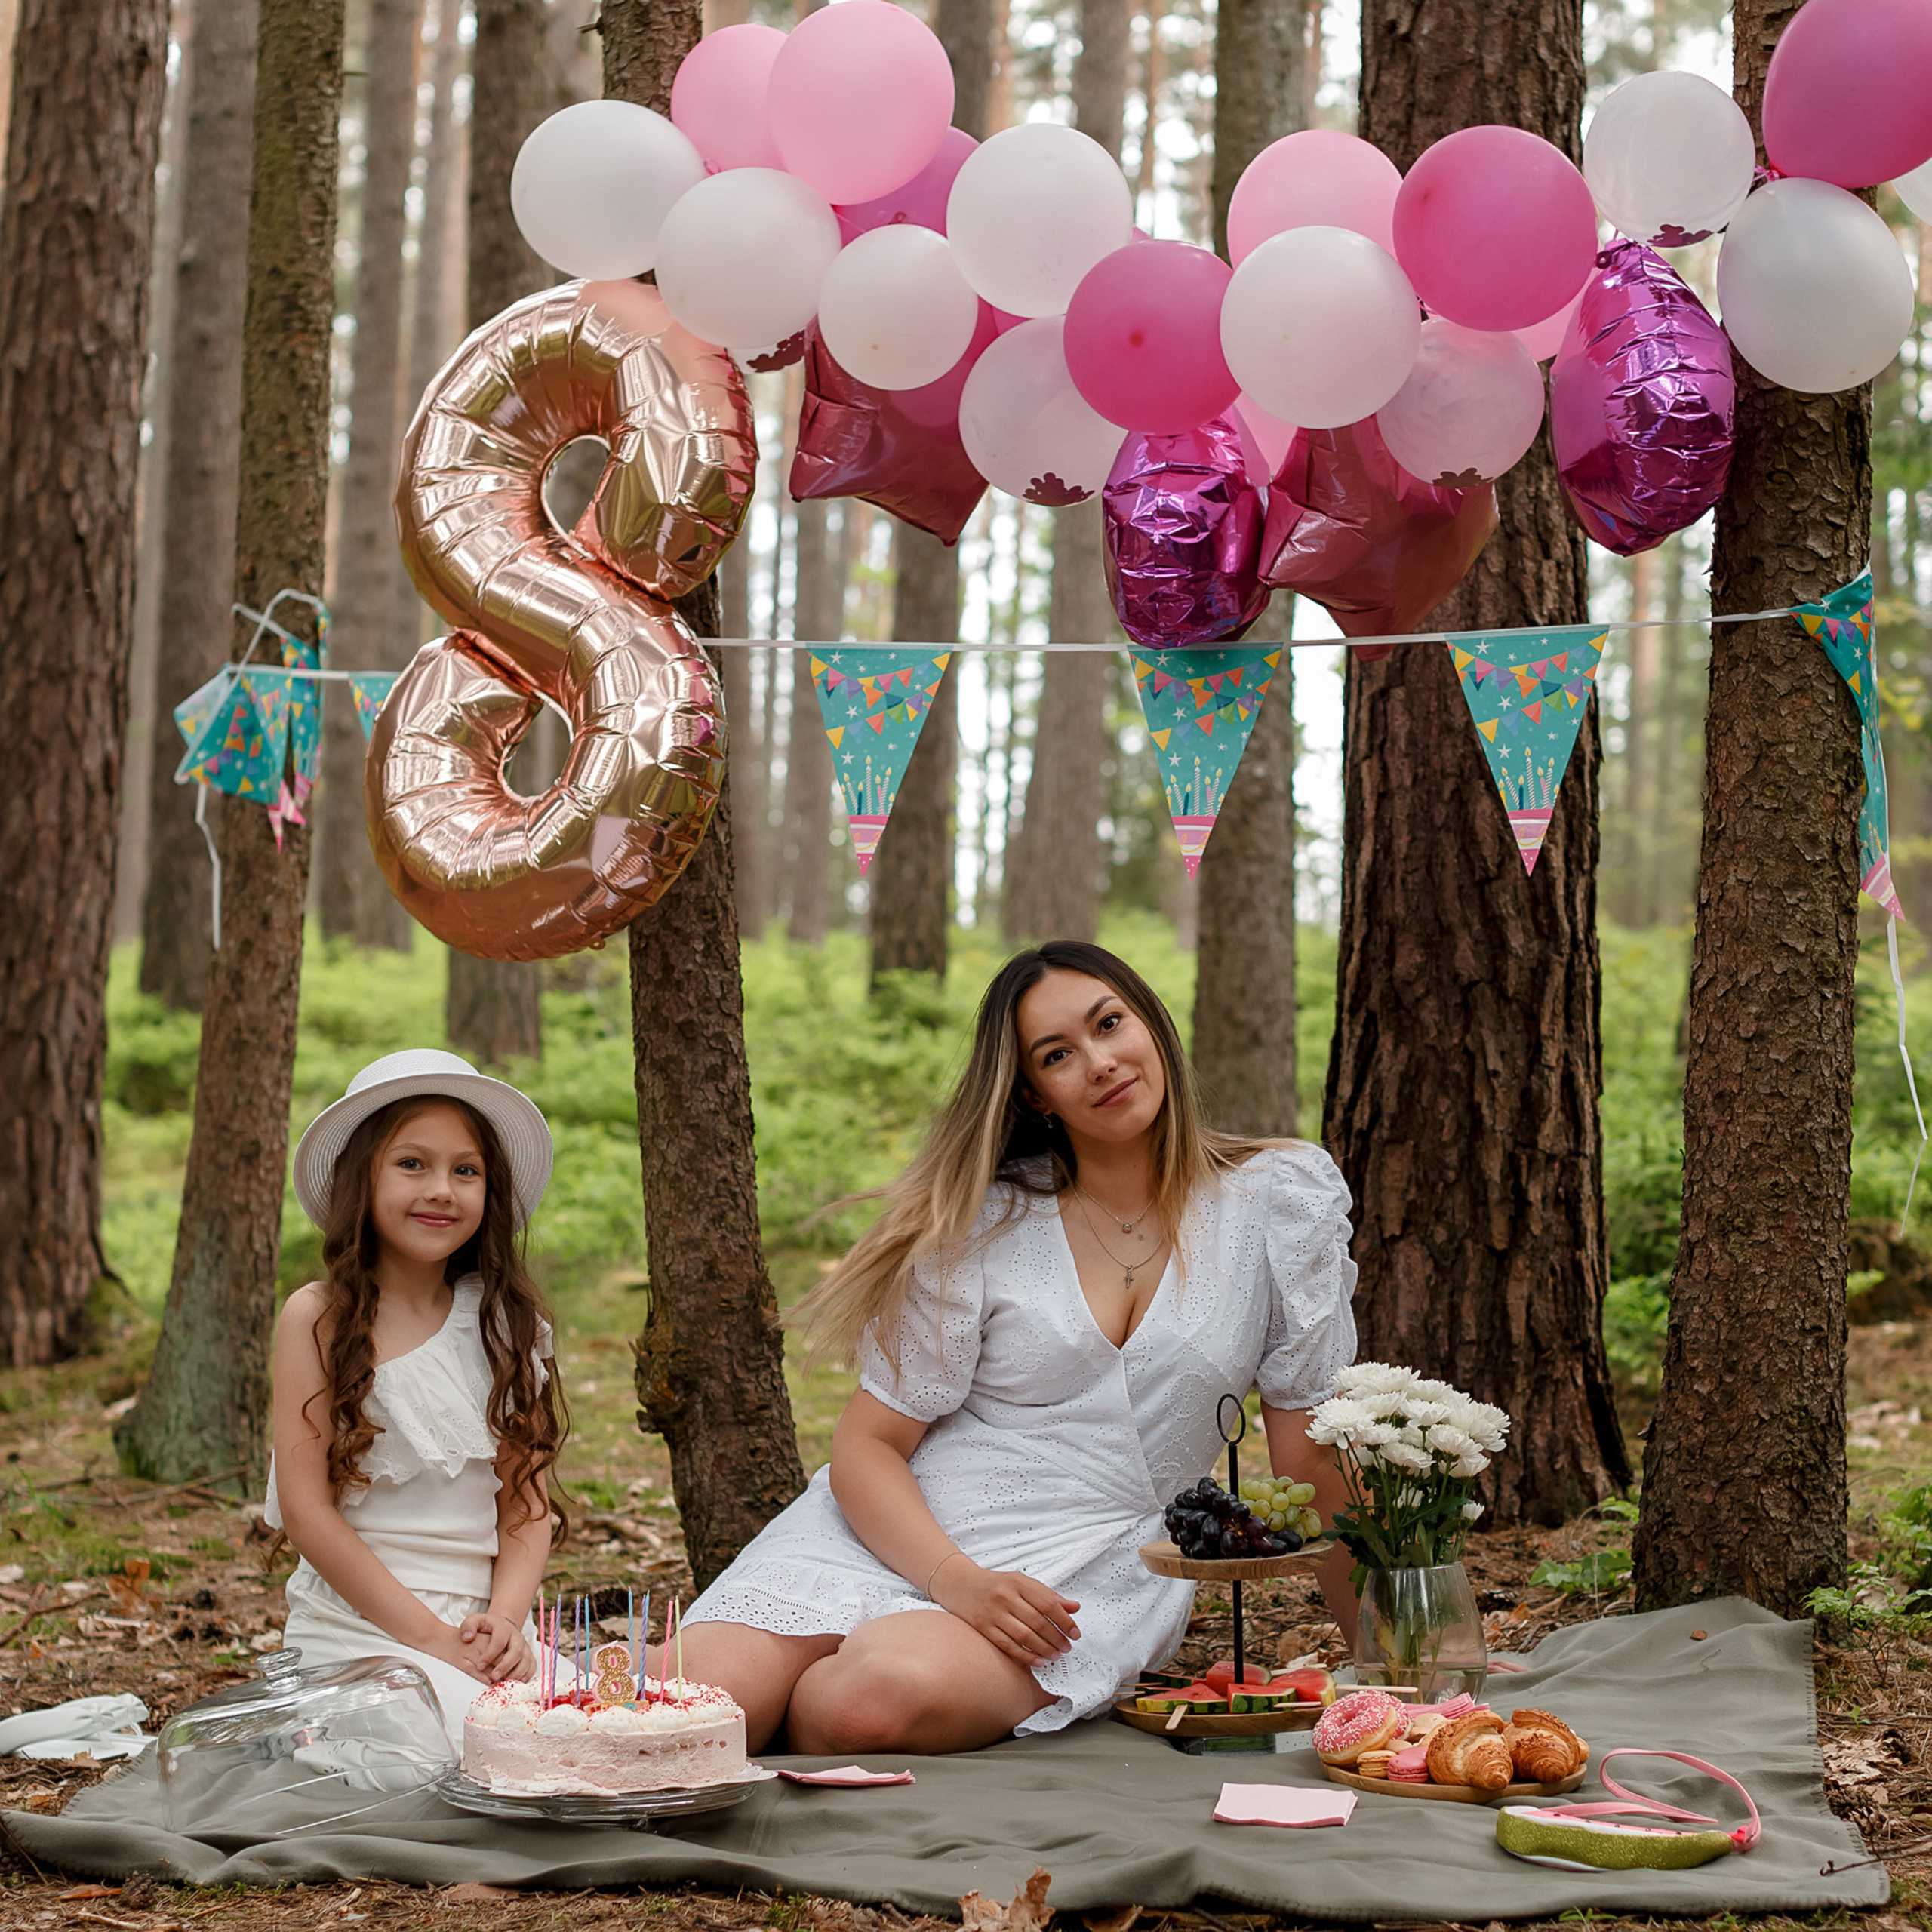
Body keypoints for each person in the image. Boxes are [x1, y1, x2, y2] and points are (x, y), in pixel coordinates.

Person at [679, 940, 1359, 1755]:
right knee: (690, 1702)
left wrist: (1394, 1660)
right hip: (897, 1534)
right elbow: (868, 1444)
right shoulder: (983, 1217)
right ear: (1035, 1093)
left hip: (1081, 1575)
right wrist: (955, 1580)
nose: (1100, 1063)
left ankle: (781, 1716)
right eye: (1058, 1055)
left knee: (863, 1705)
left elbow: (1312, 1460)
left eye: (1109, 1024)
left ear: (1152, 1023)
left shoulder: (1278, 1200)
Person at [266, 1048, 566, 1742]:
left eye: (466, 1171)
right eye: (412, 1164)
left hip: (484, 1626)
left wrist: (506, 1623)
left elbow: (527, 1506)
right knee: (477, 1744)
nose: (442, 1190)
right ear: (360, 1179)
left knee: (590, 1734)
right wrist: (431, 1639)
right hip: (363, 1623)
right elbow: (308, 1514)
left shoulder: (504, 1323)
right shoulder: (319, 1317)